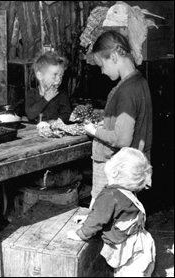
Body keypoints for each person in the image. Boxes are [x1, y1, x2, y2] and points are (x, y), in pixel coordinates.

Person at [84, 30, 153, 209]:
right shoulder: (139, 81)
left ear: (114, 56)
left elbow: (122, 139)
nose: (102, 71)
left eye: (101, 64)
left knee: (102, 213)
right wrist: (106, 124)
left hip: (114, 166)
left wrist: (94, 131)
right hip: (131, 166)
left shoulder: (126, 91)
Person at [67, 147, 156, 277]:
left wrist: (80, 234)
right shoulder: (127, 191)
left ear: (114, 172)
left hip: (130, 252)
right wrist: (88, 218)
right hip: (141, 244)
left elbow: (98, 219)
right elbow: (113, 214)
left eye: (113, 158)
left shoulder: (109, 195)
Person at [25, 52, 72, 123]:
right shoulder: (31, 94)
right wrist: (45, 98)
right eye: (55, 75)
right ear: (40, 76)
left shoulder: (61, 95)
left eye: (61, 76)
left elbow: (67, 115)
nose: (59, 79)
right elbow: (31, 114)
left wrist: (52, 122)